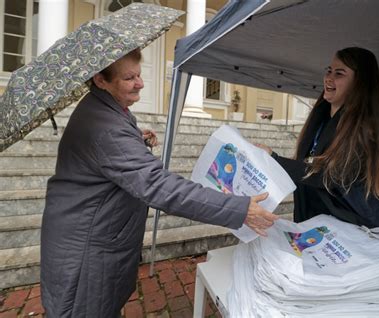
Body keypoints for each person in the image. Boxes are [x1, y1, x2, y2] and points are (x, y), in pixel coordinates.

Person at [40, 49, 278, 317]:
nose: (140, 83)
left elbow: (111, 152)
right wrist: (239, 209)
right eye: (129, 78)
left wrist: (134, 140)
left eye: (139, 75)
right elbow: (159, 186)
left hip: (90, 237)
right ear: (100, 79)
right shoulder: (106, 127)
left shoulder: (104, 111)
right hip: (86, 255)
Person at [256, 47, 379, 228]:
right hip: (327, 223)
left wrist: (275, 160)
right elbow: (309, 165)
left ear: (359, 83)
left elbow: (332, 176)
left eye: (339, 73)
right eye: (329, 71)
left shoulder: (367, 127)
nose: (329, 78)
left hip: (363, 227)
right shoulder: (323, 117)